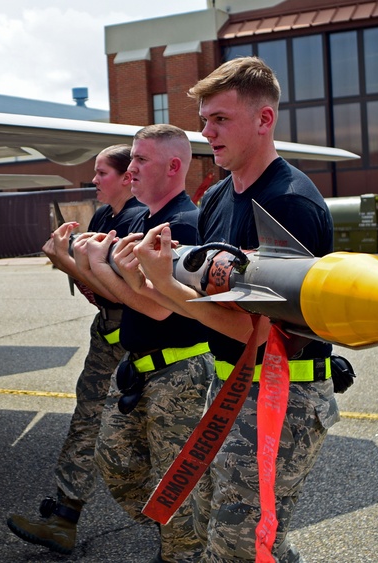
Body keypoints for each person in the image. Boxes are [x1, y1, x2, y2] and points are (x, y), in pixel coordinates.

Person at [132, 56, 339, 563]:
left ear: (264, 120)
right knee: (212, 527)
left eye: (219, 119)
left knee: (236, 549)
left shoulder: (290, 204)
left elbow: (264, 332)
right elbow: (207, 290)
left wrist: (163, 283)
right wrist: (155, 275)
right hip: (226, 384)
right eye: (204, 121)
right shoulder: (220, 195)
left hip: (279, 395)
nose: (207, 132)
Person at [76, 124, 219, 563]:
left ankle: (186, 548)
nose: (130, 168)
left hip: (181, 374)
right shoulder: (147, 220)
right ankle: (191, 535)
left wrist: (100, 267)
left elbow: (160, 309)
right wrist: (89, 264)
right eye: (132, 159)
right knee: (115, 462)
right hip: (141, 368)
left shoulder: (185, 226)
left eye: (140, 160)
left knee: (174, 485)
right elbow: (129, 296)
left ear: (173, 166)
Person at [6, 145, 145, 555]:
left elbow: (123, 292)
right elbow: (98, 288)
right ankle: (64, 518)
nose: (94, 181)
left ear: (126, 177)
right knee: (87, 420)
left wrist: (69, 264)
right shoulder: (106, 217)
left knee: (130, 436)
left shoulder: (138, 219)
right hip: (107, 329)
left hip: (131, 336)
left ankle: (189, 531)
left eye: (102, 173)